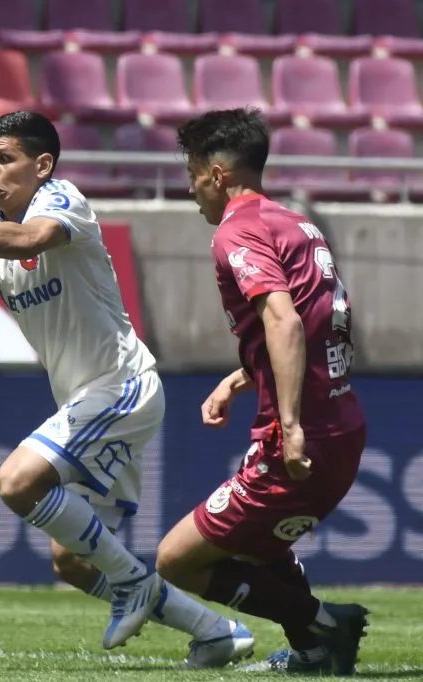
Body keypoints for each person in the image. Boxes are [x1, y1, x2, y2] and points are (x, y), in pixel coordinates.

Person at [0, 110, 253, 665]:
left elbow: (29, 239)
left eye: (6, 159)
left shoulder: (62, 200)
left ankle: (137, 585)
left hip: (122, 385)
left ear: (42, 165)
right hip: (83, 399)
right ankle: (213, 631)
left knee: (16, 482)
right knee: (72, 561)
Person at [156, 107, 369, 676]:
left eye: (193, 174)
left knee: (175, 560)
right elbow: (317, 321)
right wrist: (240, 377)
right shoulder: (297, 223)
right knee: (258, 549)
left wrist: (292, 426)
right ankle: (316, 652)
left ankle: (326, 623)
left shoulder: (236, 230)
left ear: (218, 175)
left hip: (299, 435)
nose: (192, 188)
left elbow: (284, 320)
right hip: (342, 422)